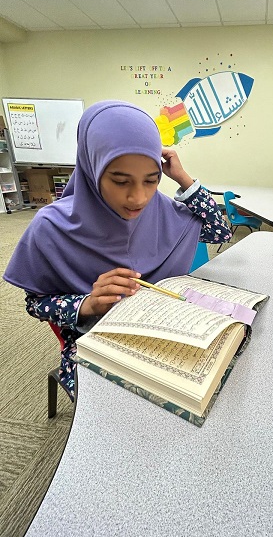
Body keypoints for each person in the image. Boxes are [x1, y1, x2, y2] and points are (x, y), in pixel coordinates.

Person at [3, 100, 232, 398]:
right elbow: (35, 303)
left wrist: (183, 178)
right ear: (92, 167)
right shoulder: (50, 226)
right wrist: (88, 304)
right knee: (117, 408)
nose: (138, 198)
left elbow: (220, 231)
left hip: (164, 332)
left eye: (151, 180)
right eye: (121, 181)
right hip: (92, 341)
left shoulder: (162, 210)